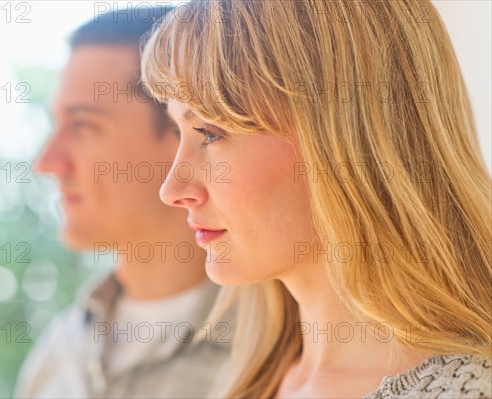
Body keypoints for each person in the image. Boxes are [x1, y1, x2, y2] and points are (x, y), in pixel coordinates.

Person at [140, 0, 492, 397]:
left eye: (210, 133)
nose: (172, 190)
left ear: (346, 137)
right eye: (178, 133)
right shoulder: (238, 381)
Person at [14, 6, 232, 398]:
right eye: (56, 125)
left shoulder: (277, 351)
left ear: (182, 130)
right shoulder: (56, 355)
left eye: (83, 125)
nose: (48, 163)